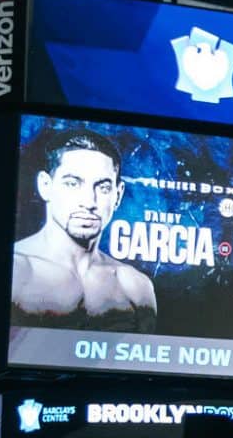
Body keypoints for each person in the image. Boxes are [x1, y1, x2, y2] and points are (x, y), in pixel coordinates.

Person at [9, 129, 157, 331]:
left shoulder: (135, 286)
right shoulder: (14, 269)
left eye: (103, 187)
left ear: (118, 195)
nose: (89, 202)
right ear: (45, 186)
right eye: (72, 183)